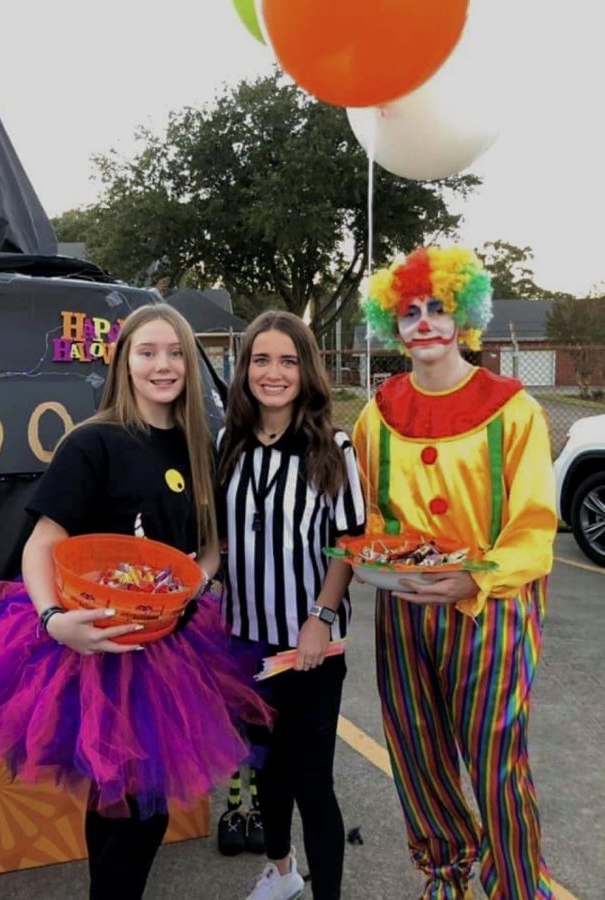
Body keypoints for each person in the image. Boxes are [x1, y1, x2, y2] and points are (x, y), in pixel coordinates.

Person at [0, 304, 273, 900]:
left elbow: (211, 549)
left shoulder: (202, 446)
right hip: (97, 649)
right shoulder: (93, 442)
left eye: (175, 352)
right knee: (129, 807)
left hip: (171, 645)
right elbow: (42, 545)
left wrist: (191, 583)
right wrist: (55, 622)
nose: (163, 365)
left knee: (137, 806)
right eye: (147, 352)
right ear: (124, 362)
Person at [352, 246, 557, 900]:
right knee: (415, 752)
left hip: (491, 609)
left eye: (438, 308)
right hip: (405, 608)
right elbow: (366, 517)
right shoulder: (374, 415)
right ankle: (443, 877)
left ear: (464, 316)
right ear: (393, 325)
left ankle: (517, 886)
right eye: (409, 312)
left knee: (496, 760)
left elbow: (533, 524)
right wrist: (368, 556)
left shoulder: (513, 409)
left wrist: (476, 576)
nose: (424, 324)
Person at [217, 311, 366, 900]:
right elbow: (219, 539)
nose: (273, 373)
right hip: (245, 640)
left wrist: (319, 618)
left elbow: (349, 543)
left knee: (311, 781)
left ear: (306, 370)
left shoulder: (332, 446)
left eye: (287, 361)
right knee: (264, 768)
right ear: (244, 368)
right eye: (261, 359)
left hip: (309, 647)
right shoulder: (226, 442)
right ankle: (281, 872)